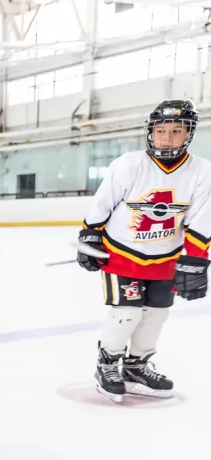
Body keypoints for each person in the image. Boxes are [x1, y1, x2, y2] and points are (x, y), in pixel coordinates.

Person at [77, 99, 211, 402]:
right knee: (126, 313)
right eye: (162, 130)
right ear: (151, 131)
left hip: (167, 258)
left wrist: (195, 261)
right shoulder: (128, 164)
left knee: (156, 316)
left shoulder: (202, 171)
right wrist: (90, 235)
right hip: (123, 255)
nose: (168, 137)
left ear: (189, 134)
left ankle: (136, 366)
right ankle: (107, 364)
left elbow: (201, 217)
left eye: (177, 130)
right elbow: (103, 203)